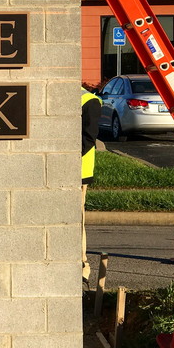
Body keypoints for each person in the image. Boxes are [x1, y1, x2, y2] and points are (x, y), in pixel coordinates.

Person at [81, 86, 102, 284]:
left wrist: (63, 159)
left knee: (76, 219)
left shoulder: (89, 100)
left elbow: (88, 137)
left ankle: (82, 265)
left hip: (79, 172)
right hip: (65, 169)